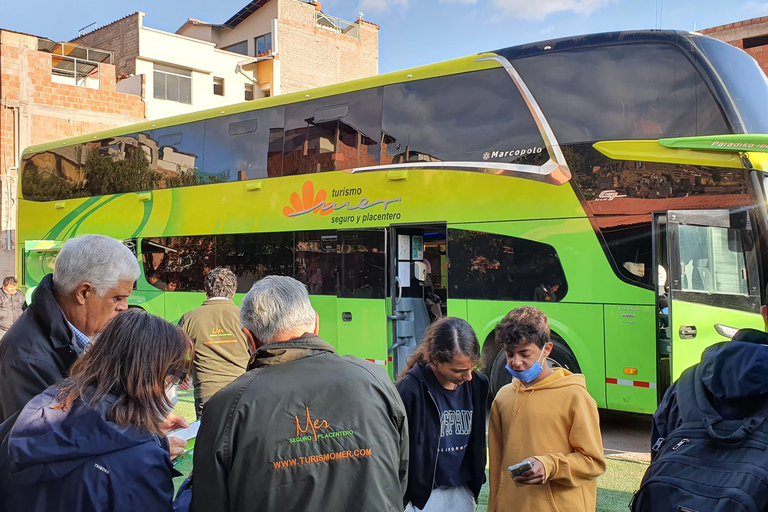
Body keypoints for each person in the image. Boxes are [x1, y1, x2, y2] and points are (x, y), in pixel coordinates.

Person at [190, 276, 409, 512]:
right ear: (316, 324)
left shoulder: (227, 406)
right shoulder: (376, 379)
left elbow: (209, 501)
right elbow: (401, 474)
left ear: (248, 339)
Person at [0, 309, 193, 512]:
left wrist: (147, 436)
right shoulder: (142, 463)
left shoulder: (42, 406)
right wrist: (190, 490)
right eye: (176, 375)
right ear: (153, 377)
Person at [0, 235, 138, 422]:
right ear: (83, 293)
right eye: (118, 298)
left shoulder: (72, 333)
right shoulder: (27, 360)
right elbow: (44, 443)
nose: (124, 307)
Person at [488, 306, 605, 512]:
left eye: (525, 353)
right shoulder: (503, 397)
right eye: (509, 353)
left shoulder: (576, 396)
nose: (516, 362)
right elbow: (497, 469)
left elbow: (593, 462)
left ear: (547, 349)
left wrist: (550, 465)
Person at [396, 317, 488, 511]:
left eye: (472, 367)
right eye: (458, 370)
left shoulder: (478, 383)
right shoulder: (410, 389)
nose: (468, 376)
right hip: (424, 497)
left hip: (462, 489)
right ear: (435, 360)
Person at [178, 267, 249, 418]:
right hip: (244, 391)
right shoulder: (246, 318)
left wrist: (182, 374)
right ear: (234, 291)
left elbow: (174, 353)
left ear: (206, 290)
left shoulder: (190, 318)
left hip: (207, 394)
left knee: (209, 440)